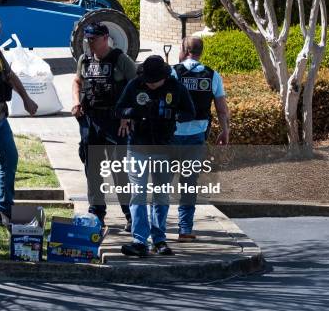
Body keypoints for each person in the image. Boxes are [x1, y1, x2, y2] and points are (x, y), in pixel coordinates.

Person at [117, 55, 195, 257]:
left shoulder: (175, 87)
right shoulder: (135, 85)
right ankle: (139, 240)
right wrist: (135, 111)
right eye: (148, 81)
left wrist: (172, 115)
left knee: (160, 195)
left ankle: (159, 239)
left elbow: (190, 112)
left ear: (164, 76)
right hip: (138, 147)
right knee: (138, 193)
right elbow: (118, 110)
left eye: (155, 81)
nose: (151, 85)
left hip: (164, 147)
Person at [71, 22, 139, 229]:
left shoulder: (120, 59)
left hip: (116, 123)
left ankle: (130, 214)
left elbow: (137, 87)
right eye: (87, 39)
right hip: (91, 122)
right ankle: (96, 213)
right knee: (93, 169)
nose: (89, 43)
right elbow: (77, 81)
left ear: (105, 38)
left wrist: (127, 115)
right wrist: (75, 101)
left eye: (93, 39)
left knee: (119, 170)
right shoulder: (85, 59)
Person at [0, 14, 38, 224]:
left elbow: (9, 76)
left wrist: (27, 99)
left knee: (10, 158)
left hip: (0, 117)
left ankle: (3, 208)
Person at [172, 37, 230, 242]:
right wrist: (225, 131)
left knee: (162, 182)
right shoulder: (212, 75)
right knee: (189, 183)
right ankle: (185, 229)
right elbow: (222, 109)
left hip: (172, 136)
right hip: (197, 137)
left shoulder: (173, 72)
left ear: (185, 50)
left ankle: (158, 230)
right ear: (200, 52)